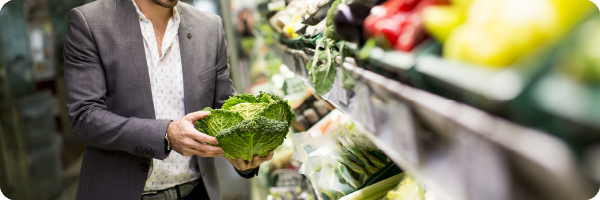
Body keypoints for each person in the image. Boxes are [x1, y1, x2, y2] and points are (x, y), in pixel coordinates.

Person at [63, 0, 273, 199]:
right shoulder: (90, 22)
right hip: (122, 192)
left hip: (197, 192)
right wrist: (166, 135)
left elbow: (226, 109)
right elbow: (85, 116)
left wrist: (247, 154)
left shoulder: (210, 27)